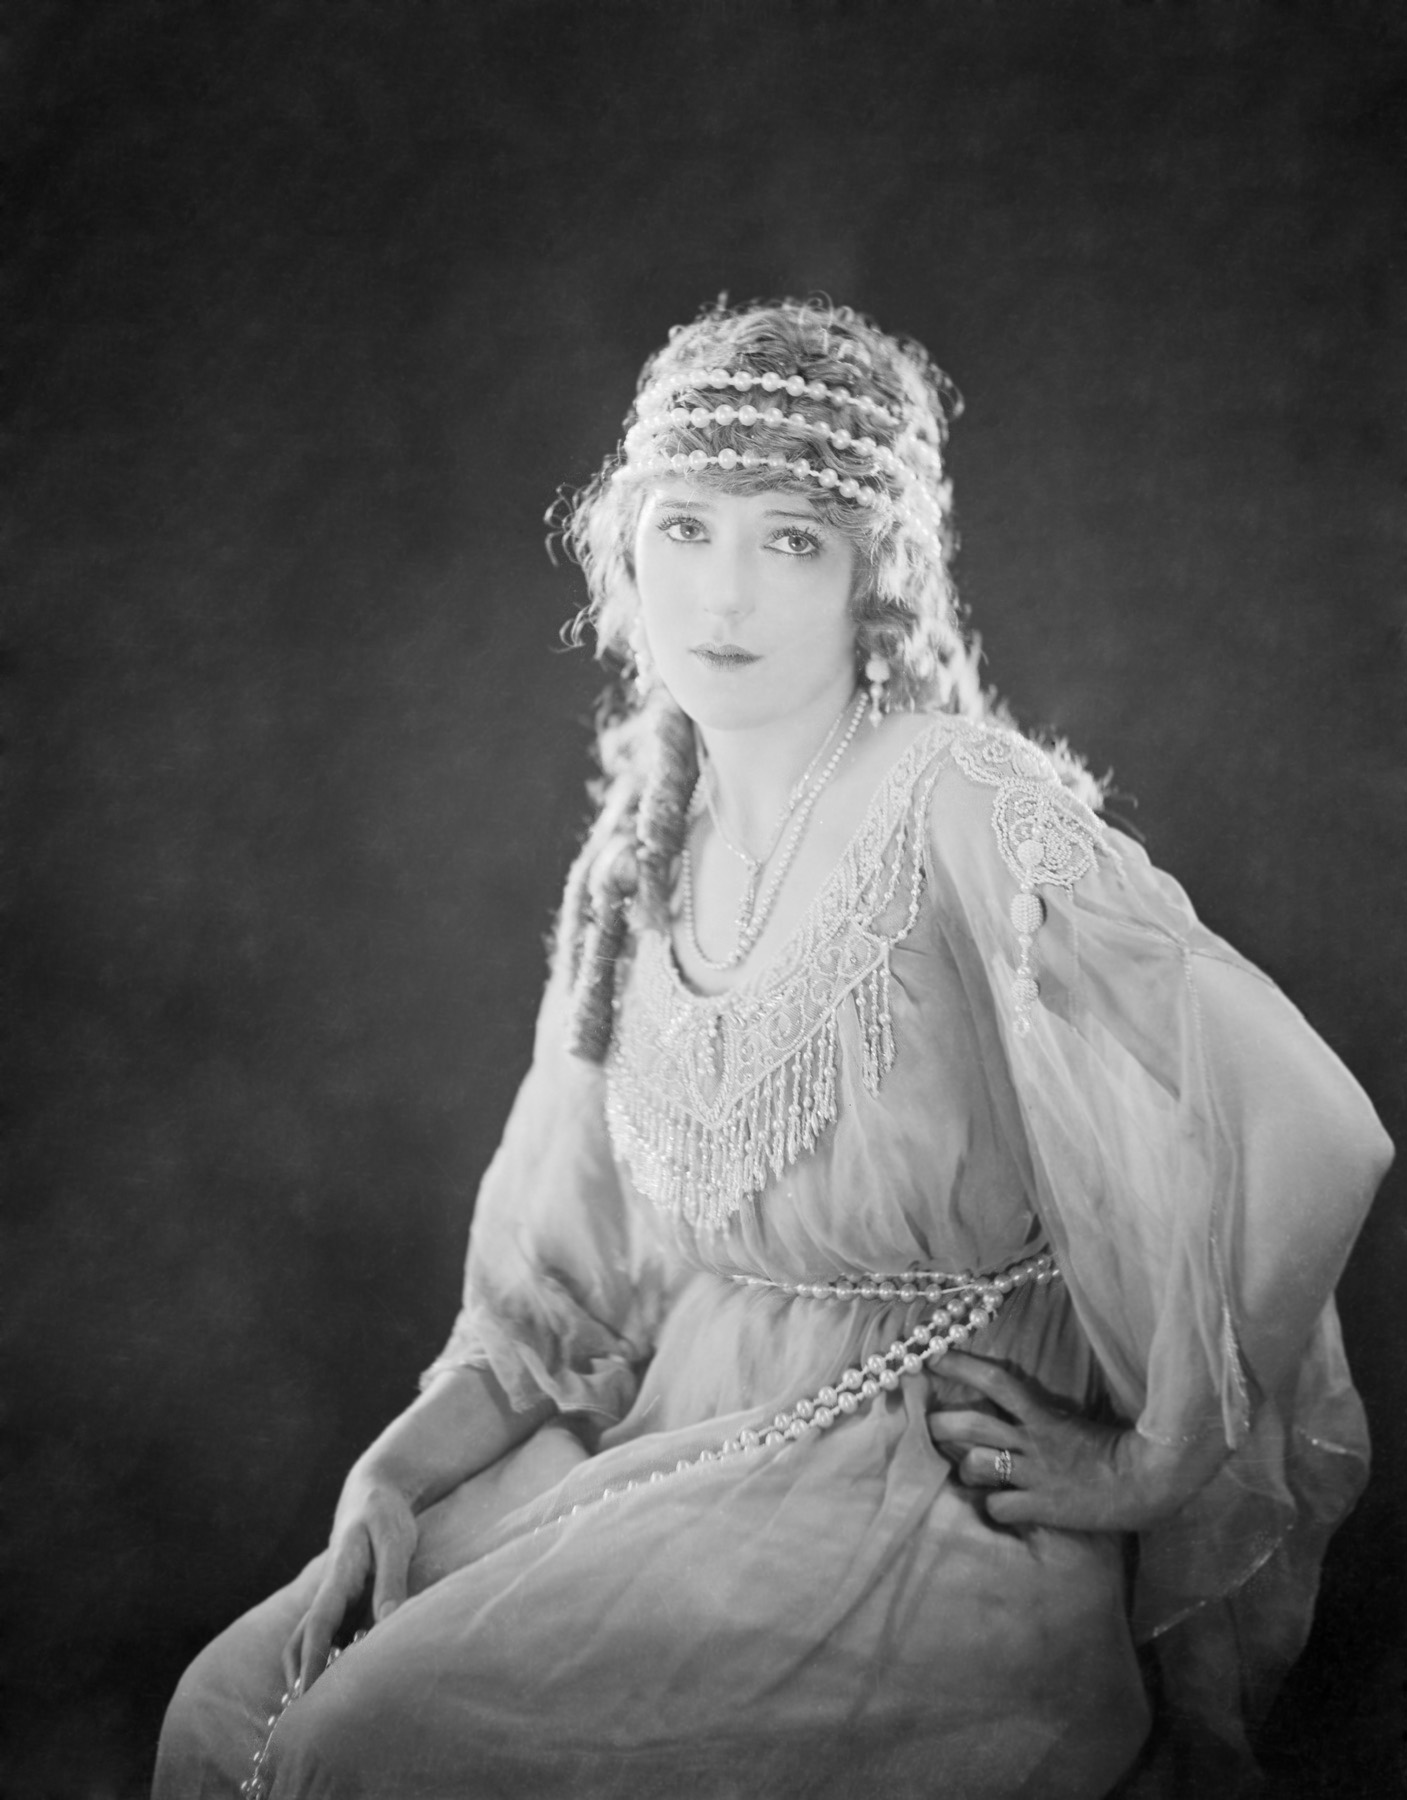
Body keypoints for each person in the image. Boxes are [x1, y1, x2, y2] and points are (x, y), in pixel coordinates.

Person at [155, 297, 1392, 1799]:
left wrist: (1157, 1458)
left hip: (922, 1507)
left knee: (362, 1749)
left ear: (875, 575)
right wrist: (393, 1472)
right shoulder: (638, 861)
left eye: (792, 540)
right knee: (230, 1708)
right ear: (624, 551)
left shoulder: (956, 797)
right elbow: (564, 1299)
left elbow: (1311, 1125)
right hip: (678, 1442)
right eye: (685, 528)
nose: (725, 592)